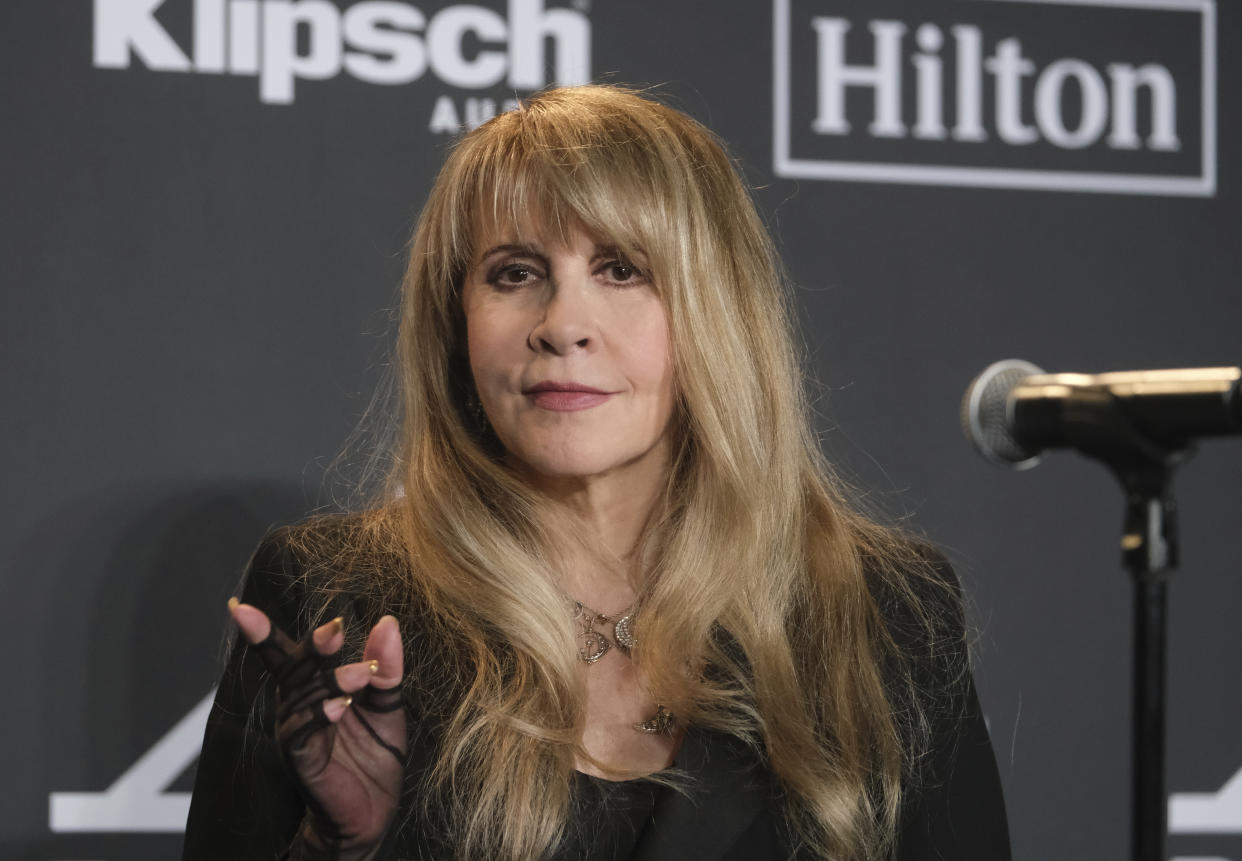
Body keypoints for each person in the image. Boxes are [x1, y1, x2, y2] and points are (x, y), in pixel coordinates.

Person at [183, 84, 1010, 860]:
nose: (562, 324)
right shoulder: (331, 598)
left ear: (715, 309)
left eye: (621, 268)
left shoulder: (882, 611)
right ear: (456, 324)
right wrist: (334, 847)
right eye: (514, 272)